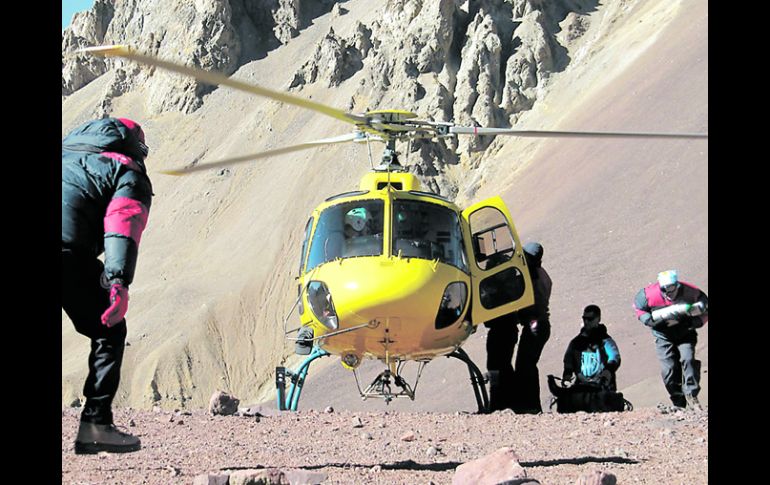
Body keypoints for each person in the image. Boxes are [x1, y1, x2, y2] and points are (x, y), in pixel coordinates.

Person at [62, 117, 153, 454]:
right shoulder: (125, 170)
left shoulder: (66, 155)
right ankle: (96, 427)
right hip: (67, 253)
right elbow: (123, 221)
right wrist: (118, 282)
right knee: (109, 330)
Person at [485, 241, 552, 413]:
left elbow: (520, 295)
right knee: (525, 364)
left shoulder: (531, 275)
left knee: (525, 365)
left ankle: (529, 405)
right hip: (538, 324)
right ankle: (526, 404)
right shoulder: (541, 274)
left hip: (535, 324)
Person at [633, 269, 708, 411]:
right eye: (664, 289)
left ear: (677, 285)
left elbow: (705, 308)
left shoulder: (690, 292)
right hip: (663, 336)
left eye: (672, 288)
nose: (668, 292)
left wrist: (694, 322)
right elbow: (639, 308)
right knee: (668, 369)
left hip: (685, 332)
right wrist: (649, 321)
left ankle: (691, 395)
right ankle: (677, 399)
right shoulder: (648, 294)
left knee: (688, 359)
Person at [562, 305, 621, 391]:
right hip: (582, 385)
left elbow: (614, 356)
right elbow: (569, 359)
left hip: (603, 386)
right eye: (584, 318)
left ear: (598, 319)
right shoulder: (576, 342)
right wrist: (567, 374)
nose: (586, 321)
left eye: (590, 319)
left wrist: (608, 371)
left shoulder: (605, 341)